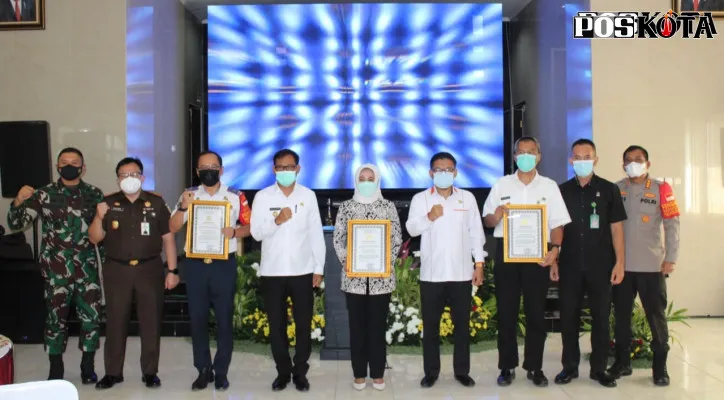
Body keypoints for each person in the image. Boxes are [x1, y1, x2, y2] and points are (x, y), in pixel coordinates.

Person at [7, 147, 104, 383]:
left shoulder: (94, 194)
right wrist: (18, 200)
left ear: (83, 167)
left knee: (91, 319)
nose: (69, 165)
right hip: (55, 272)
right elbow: (16, 224)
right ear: (58, 167)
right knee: (54, 320)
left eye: (75, 162)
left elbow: (100, 234)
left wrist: (106, 265)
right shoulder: (43, 194)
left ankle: (87, 366)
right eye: (64, 162)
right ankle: (56, 369)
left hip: (86, 270)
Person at [482, 136, 571, 388]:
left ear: (539, 156)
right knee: (506, 313)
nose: (525, 156)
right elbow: (488, 220)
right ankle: (506, 367)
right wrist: (495, 215)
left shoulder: (549, 186)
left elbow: (557, 224)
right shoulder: (501, 184)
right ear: (513, 156)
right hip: (507, 258)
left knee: (535, 314)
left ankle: (535, 367)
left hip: (538, 257)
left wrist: (555, 251)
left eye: (530, 152)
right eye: (520, 152)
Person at [89, 157, 179, 390]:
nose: (129, 178)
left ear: (142, 178)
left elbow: (168, 239)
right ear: (118, 179)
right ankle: (113, 373)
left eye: (134, 174)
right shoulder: (106, 203)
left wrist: (172, 270)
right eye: (123, 175)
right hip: (117, 270)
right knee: (115, 322)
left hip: (149, 269)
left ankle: (150, 372)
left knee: (150, 322)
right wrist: (99, 217)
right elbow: (94, 238)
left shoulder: (157, 203)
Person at [169, 151, 252, 392]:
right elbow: (172, 226)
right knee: (197, 318)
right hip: (195, 265)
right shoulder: (189, 195)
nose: (208, 170)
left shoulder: (236, 197)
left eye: (213, 166)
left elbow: (251, 226)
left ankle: (222, 371)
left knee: (224, 318)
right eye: (203, 167)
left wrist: (235, 233)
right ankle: (203, 369)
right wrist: (183, 208)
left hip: (223, 264)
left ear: (221, 170)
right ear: (197, 171)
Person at [406, 152, 486, 389]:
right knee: (431, 327)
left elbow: (476, 234)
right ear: (431, 173)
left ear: (456, 172)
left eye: (448, 169)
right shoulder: (421, 199)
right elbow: (411, 229)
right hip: (432, 276)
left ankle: (462, 371)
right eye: (438, 170)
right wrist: (429, 217)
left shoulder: (467, 198)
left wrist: (479, 264)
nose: (444, 174)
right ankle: (431, 372)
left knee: (462, 326)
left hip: (461, 274)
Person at [250, 149, 325, 392]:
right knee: (277, 325)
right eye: (280, 168)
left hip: (302, 271)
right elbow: (256, 233)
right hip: (272, 272)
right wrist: (276, 221)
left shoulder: (308, 196)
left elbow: (316, 234)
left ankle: (300, 372)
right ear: (274, 170)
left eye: (289, 167)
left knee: (303, 325)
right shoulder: (262, 197)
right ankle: (283, 372)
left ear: (298, 169)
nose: (285, 171)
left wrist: (319, 267)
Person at [553, 139, 626, 388]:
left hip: (601, 266)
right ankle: (569, 368)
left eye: (588, 156)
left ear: (595, 159)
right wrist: (553, 259)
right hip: (570, 265)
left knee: (601, 318)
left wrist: (620, 263)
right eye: (577, 156)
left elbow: (616, 229)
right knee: (568, 319)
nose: (582, 160)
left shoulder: (609, 190)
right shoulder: (561, 191)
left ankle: (599, 369)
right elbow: (556, 228)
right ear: (571, 160)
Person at [607, 145, 680, 386]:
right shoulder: (617, 189)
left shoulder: (662, 189)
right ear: (623, 164)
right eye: (628, 160)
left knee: (656, 318)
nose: (633, 163)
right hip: (622, 267)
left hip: (651, 266)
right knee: (622, 318)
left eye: (638, 159)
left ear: (648, 164)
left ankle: (660, 367)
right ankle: (622, 363)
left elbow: (672, 224)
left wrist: (670, 256)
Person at [333, 164, 403, 392]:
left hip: (381, 280)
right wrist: (350, 262)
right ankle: (359, 374)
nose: (366, 181)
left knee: (377, 327)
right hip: (353, 279)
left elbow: (395, 239)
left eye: (370, 178)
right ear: (355, 180)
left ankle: (378, 374)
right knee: (357, 328)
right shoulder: (346, 207)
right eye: (361, 178)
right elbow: (338, 239)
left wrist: (383, 262)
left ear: (377, 180)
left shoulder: (388, 206)